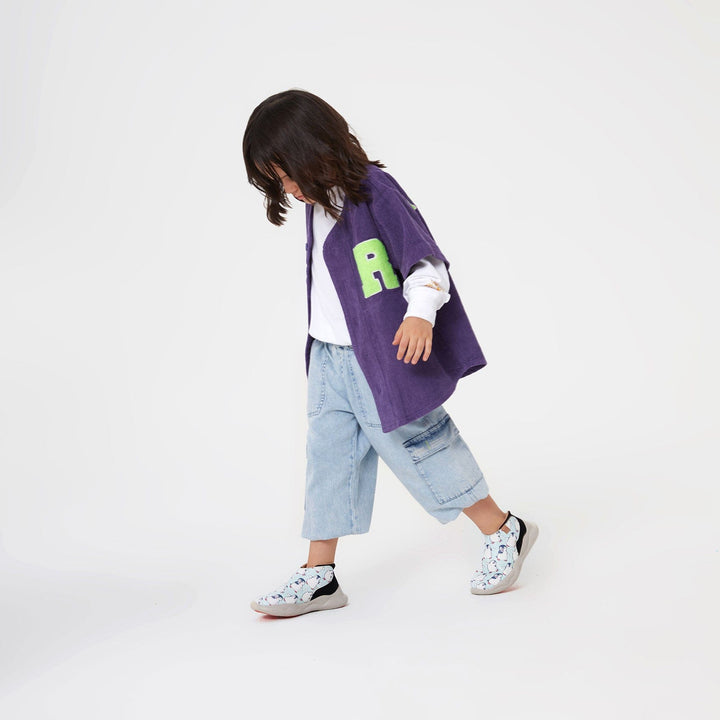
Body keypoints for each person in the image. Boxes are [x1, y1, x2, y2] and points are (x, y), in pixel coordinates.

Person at [242, 89, 538, 617]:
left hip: (380, 353)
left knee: (421, 442)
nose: (288, 189)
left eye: (288, 175)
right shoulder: (319, 204)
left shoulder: (374, 190)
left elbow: (425, 260)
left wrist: (420, 312)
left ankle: (503, 529)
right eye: (278, 181)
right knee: (328, 460)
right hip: (329, 356)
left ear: (316, 150)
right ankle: (319, 574)